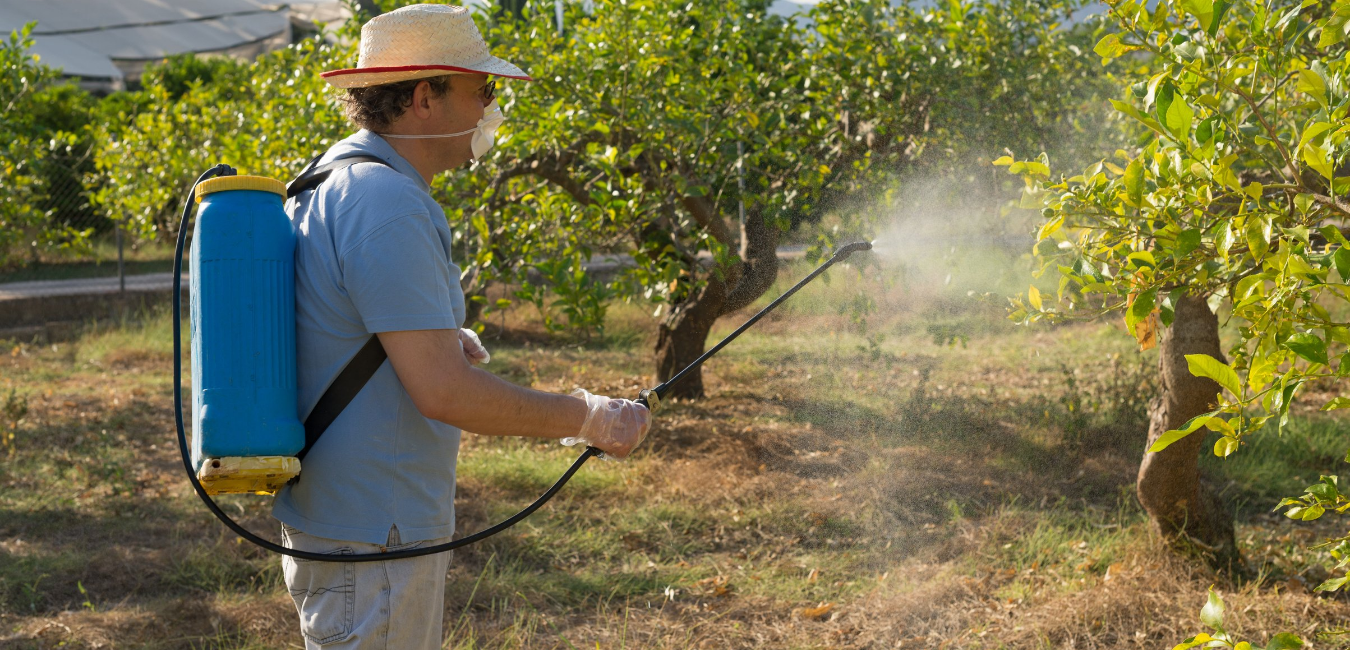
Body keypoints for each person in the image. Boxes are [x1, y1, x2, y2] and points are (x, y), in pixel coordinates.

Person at [271, 5, 651, 648]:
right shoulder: (388, 203)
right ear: (424, 96)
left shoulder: (329, 181)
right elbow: (444, 393)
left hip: (343, 519)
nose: (490, 109)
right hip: (377, 532)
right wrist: (588, 416)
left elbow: (342, 325)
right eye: (483, 90)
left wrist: (432, 338)